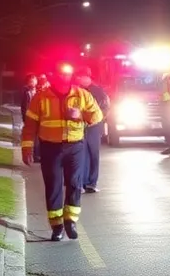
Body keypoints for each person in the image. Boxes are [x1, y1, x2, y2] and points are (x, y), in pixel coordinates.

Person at [21, 65, 103, 241]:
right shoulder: (41, 97)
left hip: (75, 146)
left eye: (66, 73)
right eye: (60, 73)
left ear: (71, 75)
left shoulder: (82, 95)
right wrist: (27, 148)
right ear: (53, 75)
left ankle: (70, 221)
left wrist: (81, 114)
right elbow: (30, 126)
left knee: (74, 183)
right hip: (50, 148)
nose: (63, 77)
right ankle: (57, 226)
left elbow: (97, 115)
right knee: (53, 186)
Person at [75, 66, 109, 192]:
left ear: (87, 77)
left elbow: (105, 108)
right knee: (81, 154)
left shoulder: (98, 91)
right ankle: (81, 182)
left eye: (80, 77)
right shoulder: (77, 90)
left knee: (93, 153)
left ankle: (91, 183)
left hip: (94, 126)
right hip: (81, 126)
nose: (78, 79)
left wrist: (95, 120)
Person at [18, 74, 38, 150]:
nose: (33, 82)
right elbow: (23, 106)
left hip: (38, 116)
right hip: (29, 116)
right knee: (30, 135)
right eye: (31, 81)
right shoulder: (26, 92)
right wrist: (24, 118)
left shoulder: (39, 90)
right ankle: (30, 151)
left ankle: (36, 153)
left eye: (34, 80)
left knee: (38, 135)